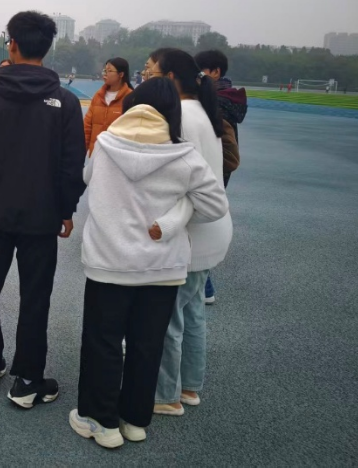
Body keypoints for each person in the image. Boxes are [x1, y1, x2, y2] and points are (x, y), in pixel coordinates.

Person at [70, 78, 229, 448]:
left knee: (103, 342)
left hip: (108, 262)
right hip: (162, 266)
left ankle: (100, 421)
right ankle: (135, 420)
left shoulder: (105, 144)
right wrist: (178, 214)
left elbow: (87, 177)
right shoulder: (184, 154)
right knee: (147, 344)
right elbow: (215, 205)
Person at [0, 10, 85, 408]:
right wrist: (66, 209)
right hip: (41, 217)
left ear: (11, 44)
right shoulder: (65, 101)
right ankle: (27, 379)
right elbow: (71, 163)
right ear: (46, 48)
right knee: (35, 297)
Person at [143, 48, 234, 417]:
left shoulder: (178, 116)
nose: (144, 77)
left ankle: (166, 395)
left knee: (167, 318)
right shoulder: (203, 112)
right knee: (193, 311)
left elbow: (175, 184)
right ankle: (190, 386)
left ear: (170, 77)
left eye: (150, 71)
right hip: (209, 230)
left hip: (191, 232)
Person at [194, 49, 247, 304]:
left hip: (211, 171)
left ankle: (205, 287)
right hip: (215, 171)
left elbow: (229, 153)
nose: (196, 76)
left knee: (199, 225)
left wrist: (210, 168)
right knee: (203, 223)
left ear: (215, 72)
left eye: (200, 71)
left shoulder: (216, 101)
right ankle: (204, 287)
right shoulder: (226, 98)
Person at [84, 58, 133, 157]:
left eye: (109, 71)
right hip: (96, 155)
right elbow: (87, 126)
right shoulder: (98, 96)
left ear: (121, 74)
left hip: (118, 156)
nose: (105, 74)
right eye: (104, 71)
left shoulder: (131, 98)